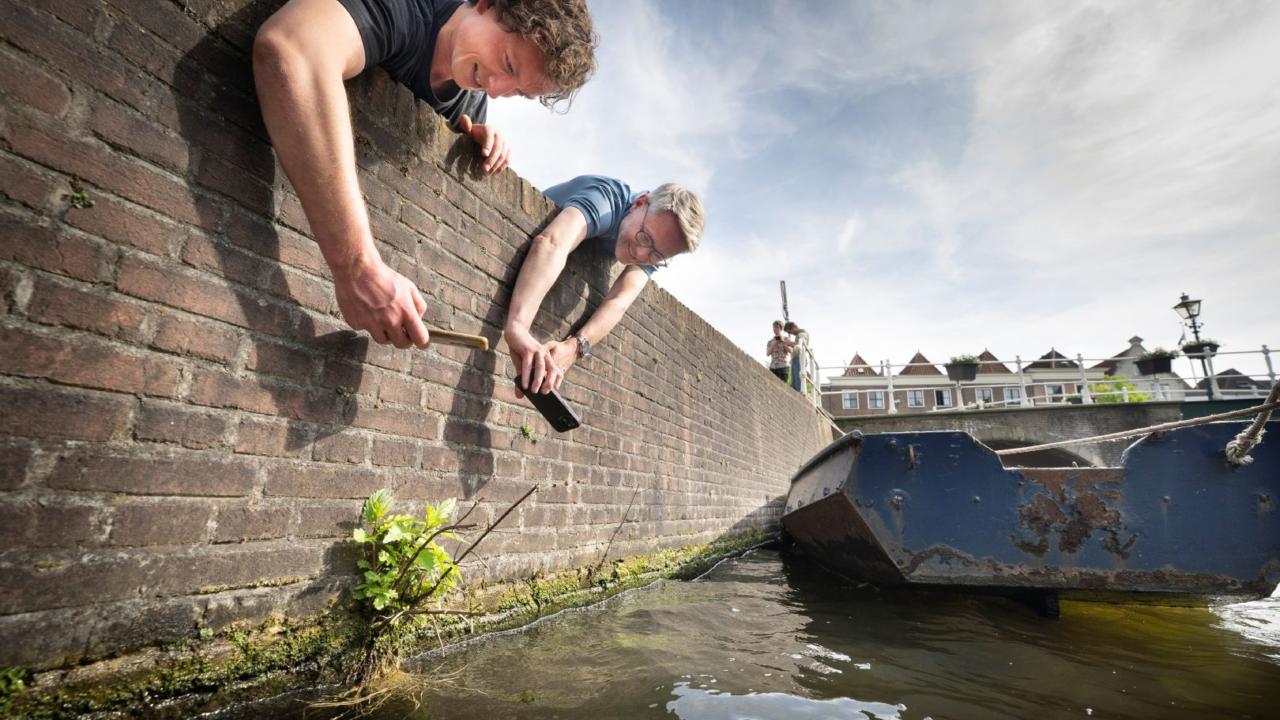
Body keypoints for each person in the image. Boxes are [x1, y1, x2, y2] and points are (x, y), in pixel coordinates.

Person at [253, 0, 597, 349]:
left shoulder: (472, 104)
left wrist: (466, 137)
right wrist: (359, 268)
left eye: (518, 91)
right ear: (485, 5)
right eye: (508, 62)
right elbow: (294, 49)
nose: (495, 89)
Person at [504, 175, 705, 396]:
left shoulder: (653, 247)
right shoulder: (608, 196)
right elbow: (554, 242)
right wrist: (518, 326)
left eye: (656, 255)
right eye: (645, 238)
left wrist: (573, 348)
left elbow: (620, 300)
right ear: (639, 204)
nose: (640, 254)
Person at [784, 321, 809, 393]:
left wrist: (789, 343)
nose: (791, 334)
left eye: (790, 332)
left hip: (799, 359)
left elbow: (799, 344)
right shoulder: (800, 334)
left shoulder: (802, 333)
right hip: (796, 359)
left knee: (797, 383)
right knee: (794, 383)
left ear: (794, 327)